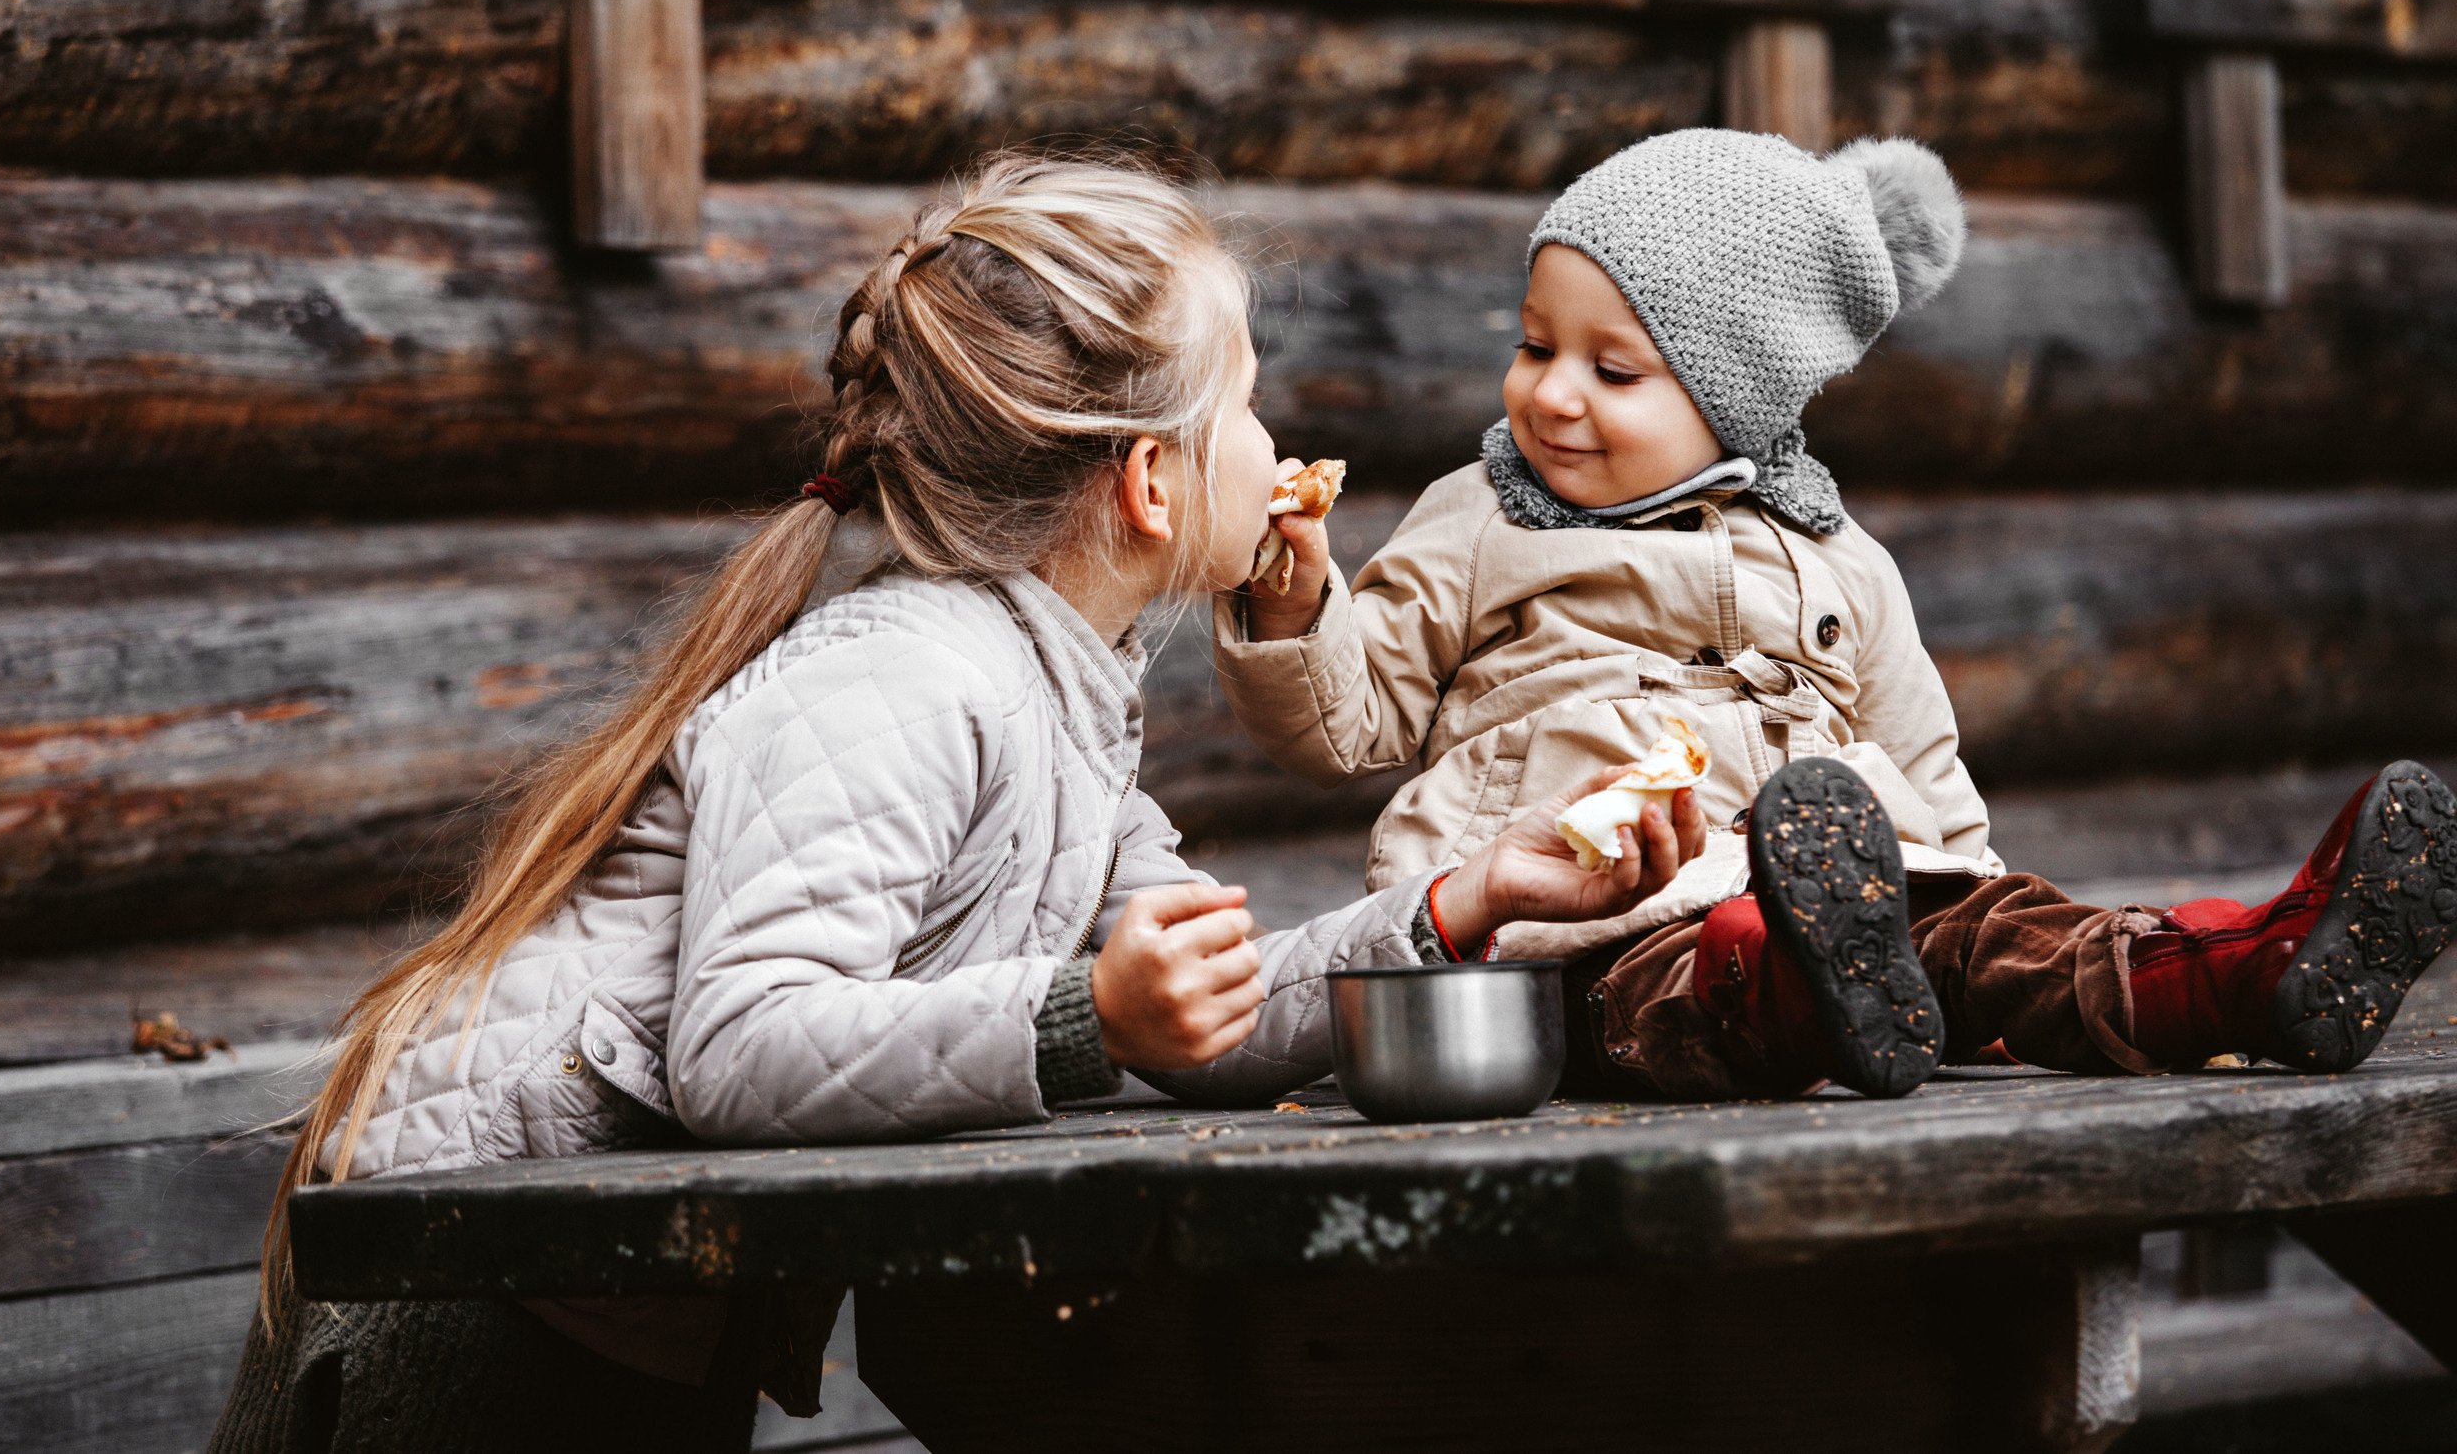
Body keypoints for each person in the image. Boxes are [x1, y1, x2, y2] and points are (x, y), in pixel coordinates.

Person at [209, 151, 1707, 1454]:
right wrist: (1080, 1019)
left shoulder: (1058, 701)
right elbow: (740, 1042)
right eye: (1246, 405)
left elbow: (1216, 1020)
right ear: (1151, 485)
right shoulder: (903, 678)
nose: (1276, 443)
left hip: (616, 1300)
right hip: (466, 1292)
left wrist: (1472, 897)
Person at [1221, 127, 2457, 1105]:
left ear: (1738, 394)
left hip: (1854, 884)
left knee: (2008, 937)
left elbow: (1919, 755)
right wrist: (1289, 602)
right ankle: (1820, 987)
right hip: (1593, 923)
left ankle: (2239, 978)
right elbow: (1349, 721)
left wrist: (1962, 888)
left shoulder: (1835, 557)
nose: (1549, 395)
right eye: (1533, 344)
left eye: (1612, 370)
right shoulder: (1483, 516)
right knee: (1690, 985)